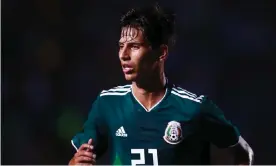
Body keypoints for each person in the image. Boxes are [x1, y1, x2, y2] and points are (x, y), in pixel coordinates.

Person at [69, 3, 254, 165]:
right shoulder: (107, 104)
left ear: (161, 52)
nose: (123, 55)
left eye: (134, 46)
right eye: (120, 46)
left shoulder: (194, 108)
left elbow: (242, 153)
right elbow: (77, 159)